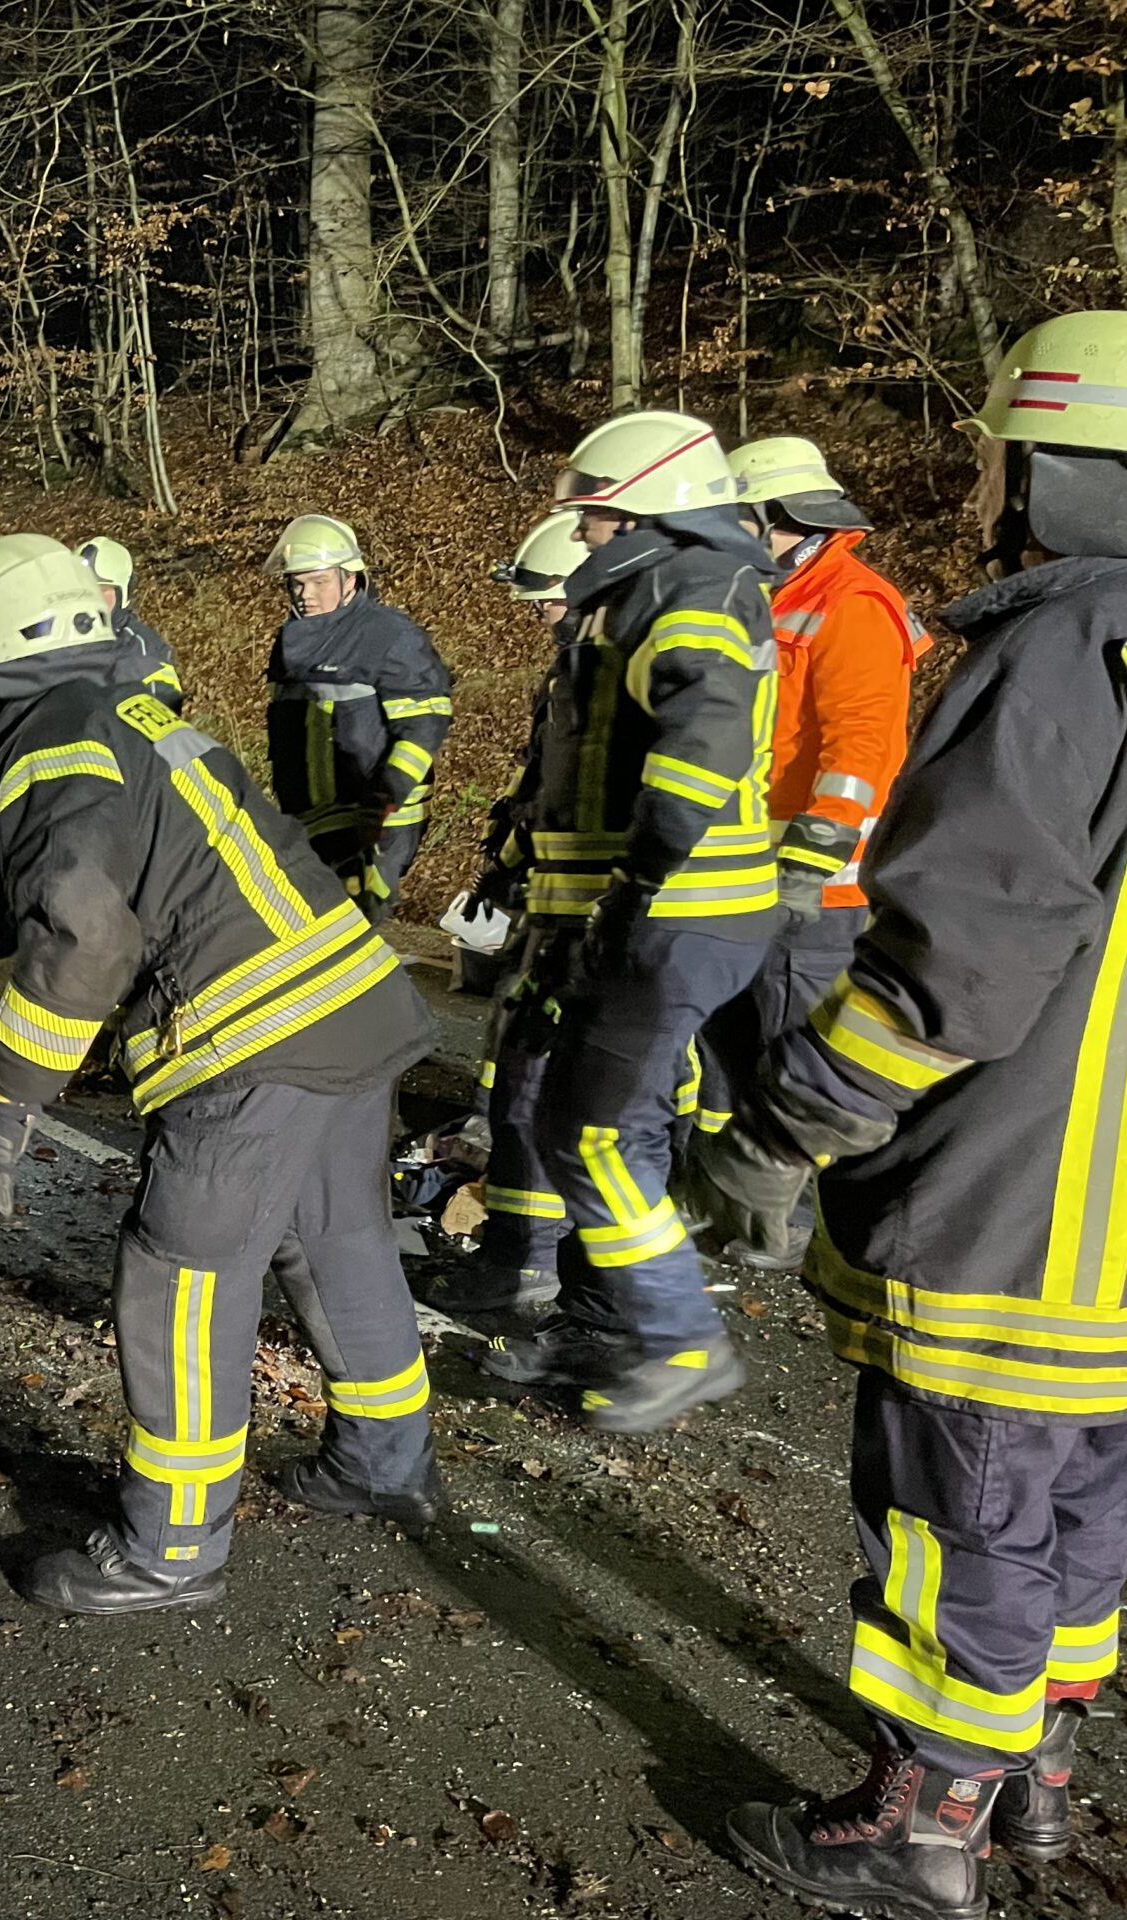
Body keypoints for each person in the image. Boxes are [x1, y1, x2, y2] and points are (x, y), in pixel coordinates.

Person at [687, 313, 1127, 1920]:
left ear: (1065, 471)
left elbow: (956, 962)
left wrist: (787, 1123)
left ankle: (923, 1828)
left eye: (1012, 457)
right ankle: (1040, 1786)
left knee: (962, 1521)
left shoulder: (1065, 654)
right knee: (1085, 1503)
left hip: (1013, 1216)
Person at [0, 533, 440, 1616]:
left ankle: (168, 1552)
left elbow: (82, 931)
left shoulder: (50, 741)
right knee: (335, 1242)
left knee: (180, 1275)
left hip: (249, 1042)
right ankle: (384, 1466)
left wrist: (7, 1105)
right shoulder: (129, 713)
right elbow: (21, 887)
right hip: (345, 1007)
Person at [470, 413, 776, 1429]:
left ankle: (680, 1338)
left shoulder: (689, 593)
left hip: (679, 916)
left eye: (598, 519)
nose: (586, 538)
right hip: (654, 915)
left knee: (596, 1133)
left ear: (652, 513)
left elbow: (698, 750)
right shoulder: (651, 594)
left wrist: (629, 895)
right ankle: (624, 1325)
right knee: (589, 1126)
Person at [689, 437, 924, 1265]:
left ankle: (811, 1227)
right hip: (739, 875)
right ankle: (733, 1208)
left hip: (812, 893)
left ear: (783, 520)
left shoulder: (853, 603)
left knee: (797, 1052)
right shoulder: (759, 594)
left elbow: (863, 748)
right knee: (725, 1047)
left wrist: (811, 861)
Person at [432, 513, 588, 1318]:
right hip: (549, 904)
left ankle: (537, 1273)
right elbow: (540, 789)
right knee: (518, 1076)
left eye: (547, 603)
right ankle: (520, 1260)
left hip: (585, 921)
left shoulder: (612, 679)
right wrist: (504, 866)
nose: (538, 617)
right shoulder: (571, 675)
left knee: (550, 1088)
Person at [260, 514, 453, 921]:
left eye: (318, 582)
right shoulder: (289, 642)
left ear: (351, 580)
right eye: (296, 582)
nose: (304, 594)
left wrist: (388, 793)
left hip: (377, 816)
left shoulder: (388, 635)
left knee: (355, 924)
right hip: (314, 815)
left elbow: (424, 724)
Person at [74, 535, 185, 708]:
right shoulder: (57, 639)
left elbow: (165, 719)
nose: (90, 599)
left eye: (101, 589)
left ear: (123, 593)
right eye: (83, 589)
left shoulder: (143, 651)